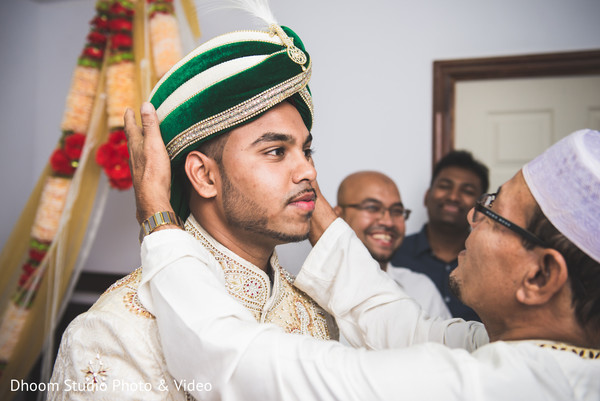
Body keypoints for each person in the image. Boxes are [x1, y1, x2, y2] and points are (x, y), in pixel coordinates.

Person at [133, 125, 600, 400]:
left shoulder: (494, 387)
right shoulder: (549, 351)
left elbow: (238, 361)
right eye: (277, 150)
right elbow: (394, 320)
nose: (473, 213)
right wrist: (304, 184)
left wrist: (157, 216)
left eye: (495, 210)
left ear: (540, 276)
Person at [48, 20, 339, 400]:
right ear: (204, 176)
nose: (309, 171)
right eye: (276, 151)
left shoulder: (317, 315)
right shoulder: (117, 330)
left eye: (306, 150)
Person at [335, 171, 450, 319]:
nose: (388, 222)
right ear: (338, 216)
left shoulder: (421, 289)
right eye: (372, 208)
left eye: (397, 211)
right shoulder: (316, 292)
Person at [392, 150, 489, 321]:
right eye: (445, 186)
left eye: (467, 190)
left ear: (480, 208)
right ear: (426, 197)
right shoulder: (394, 254)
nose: (453, 196)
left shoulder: (490, 262)